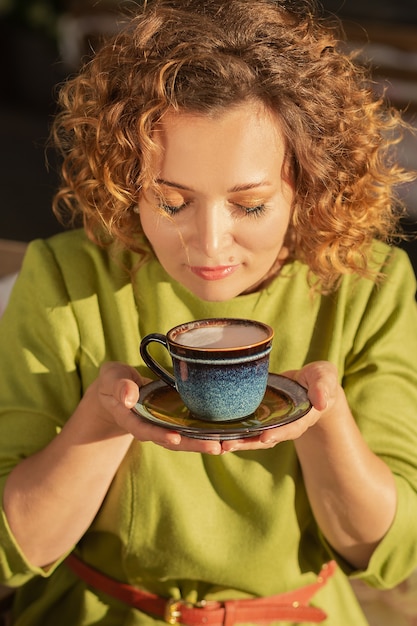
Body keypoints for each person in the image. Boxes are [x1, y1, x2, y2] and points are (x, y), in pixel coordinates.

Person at [1, 0, 417, 624]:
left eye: (249, 206)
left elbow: (388, 553)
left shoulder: (371, 286)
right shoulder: (66, 279)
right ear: (127, 179)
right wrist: (101, 419)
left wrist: (327, 418)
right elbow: (14, 552)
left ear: (308, 181)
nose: (209, 244)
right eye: (171, 202)